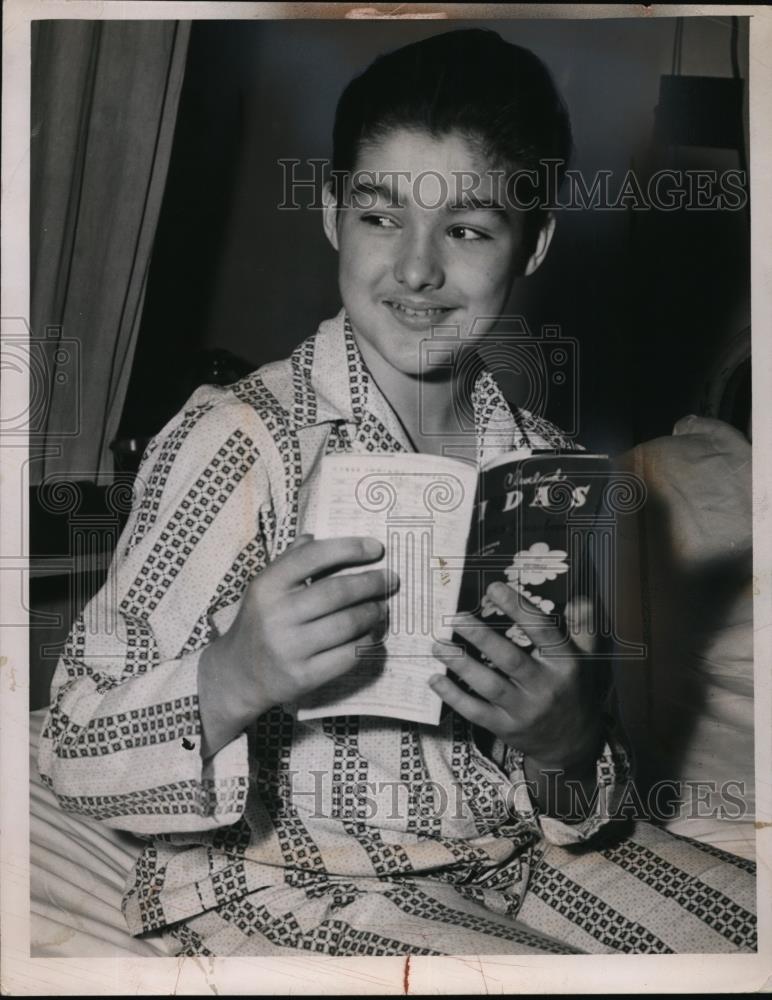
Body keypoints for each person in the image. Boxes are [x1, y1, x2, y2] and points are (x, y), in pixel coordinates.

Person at [38, 28, 756, 956]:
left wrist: (567, 742)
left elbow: (587, 795)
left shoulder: (546, 471)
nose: (417, 270)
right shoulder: (240, 440)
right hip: (298, 878)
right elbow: (71, 747)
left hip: (519, 859)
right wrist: (233, 673)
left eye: (466, 227)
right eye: (381, 217)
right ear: (334, 216)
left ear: (532, 243)